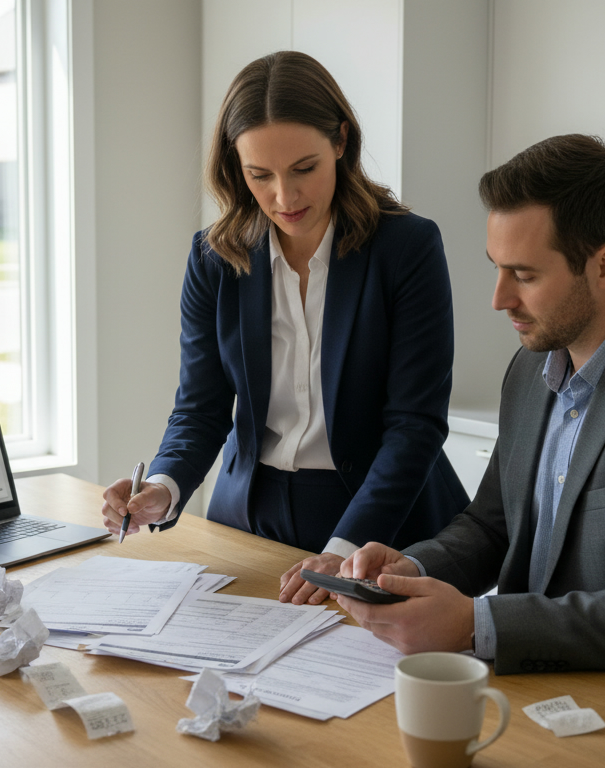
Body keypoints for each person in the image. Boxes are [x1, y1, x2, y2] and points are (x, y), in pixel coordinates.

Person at [336, 134, 605, 690]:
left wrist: (475, 623)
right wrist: (413, 571)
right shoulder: (532, 367)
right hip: (552, 689)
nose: (499, 299)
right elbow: (493, 523)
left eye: (524, 275)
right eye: (497, 268)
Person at [100, 51, 469, 605]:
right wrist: (163, 487)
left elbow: (415, 424)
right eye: (259, 175)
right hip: (249, 516)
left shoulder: (406, 248)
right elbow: (200, 408)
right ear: (235, 166)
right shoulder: (213, 257)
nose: (284, 197)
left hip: (381, 524)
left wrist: (345, 546)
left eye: (304, 168)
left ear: (341, 142)